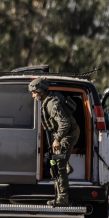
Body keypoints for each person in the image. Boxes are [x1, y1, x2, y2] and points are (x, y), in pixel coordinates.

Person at [29, 78, 79, 207]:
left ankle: (63, 198)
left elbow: (65, 123)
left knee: (59, 164)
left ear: (41, 91)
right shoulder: (49, 100)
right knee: (55, 163)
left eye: (34, 92)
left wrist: (57, 140)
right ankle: (59, 195)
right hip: (64, 134)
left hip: (68, 135)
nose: (33, 95)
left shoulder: (52, 104)